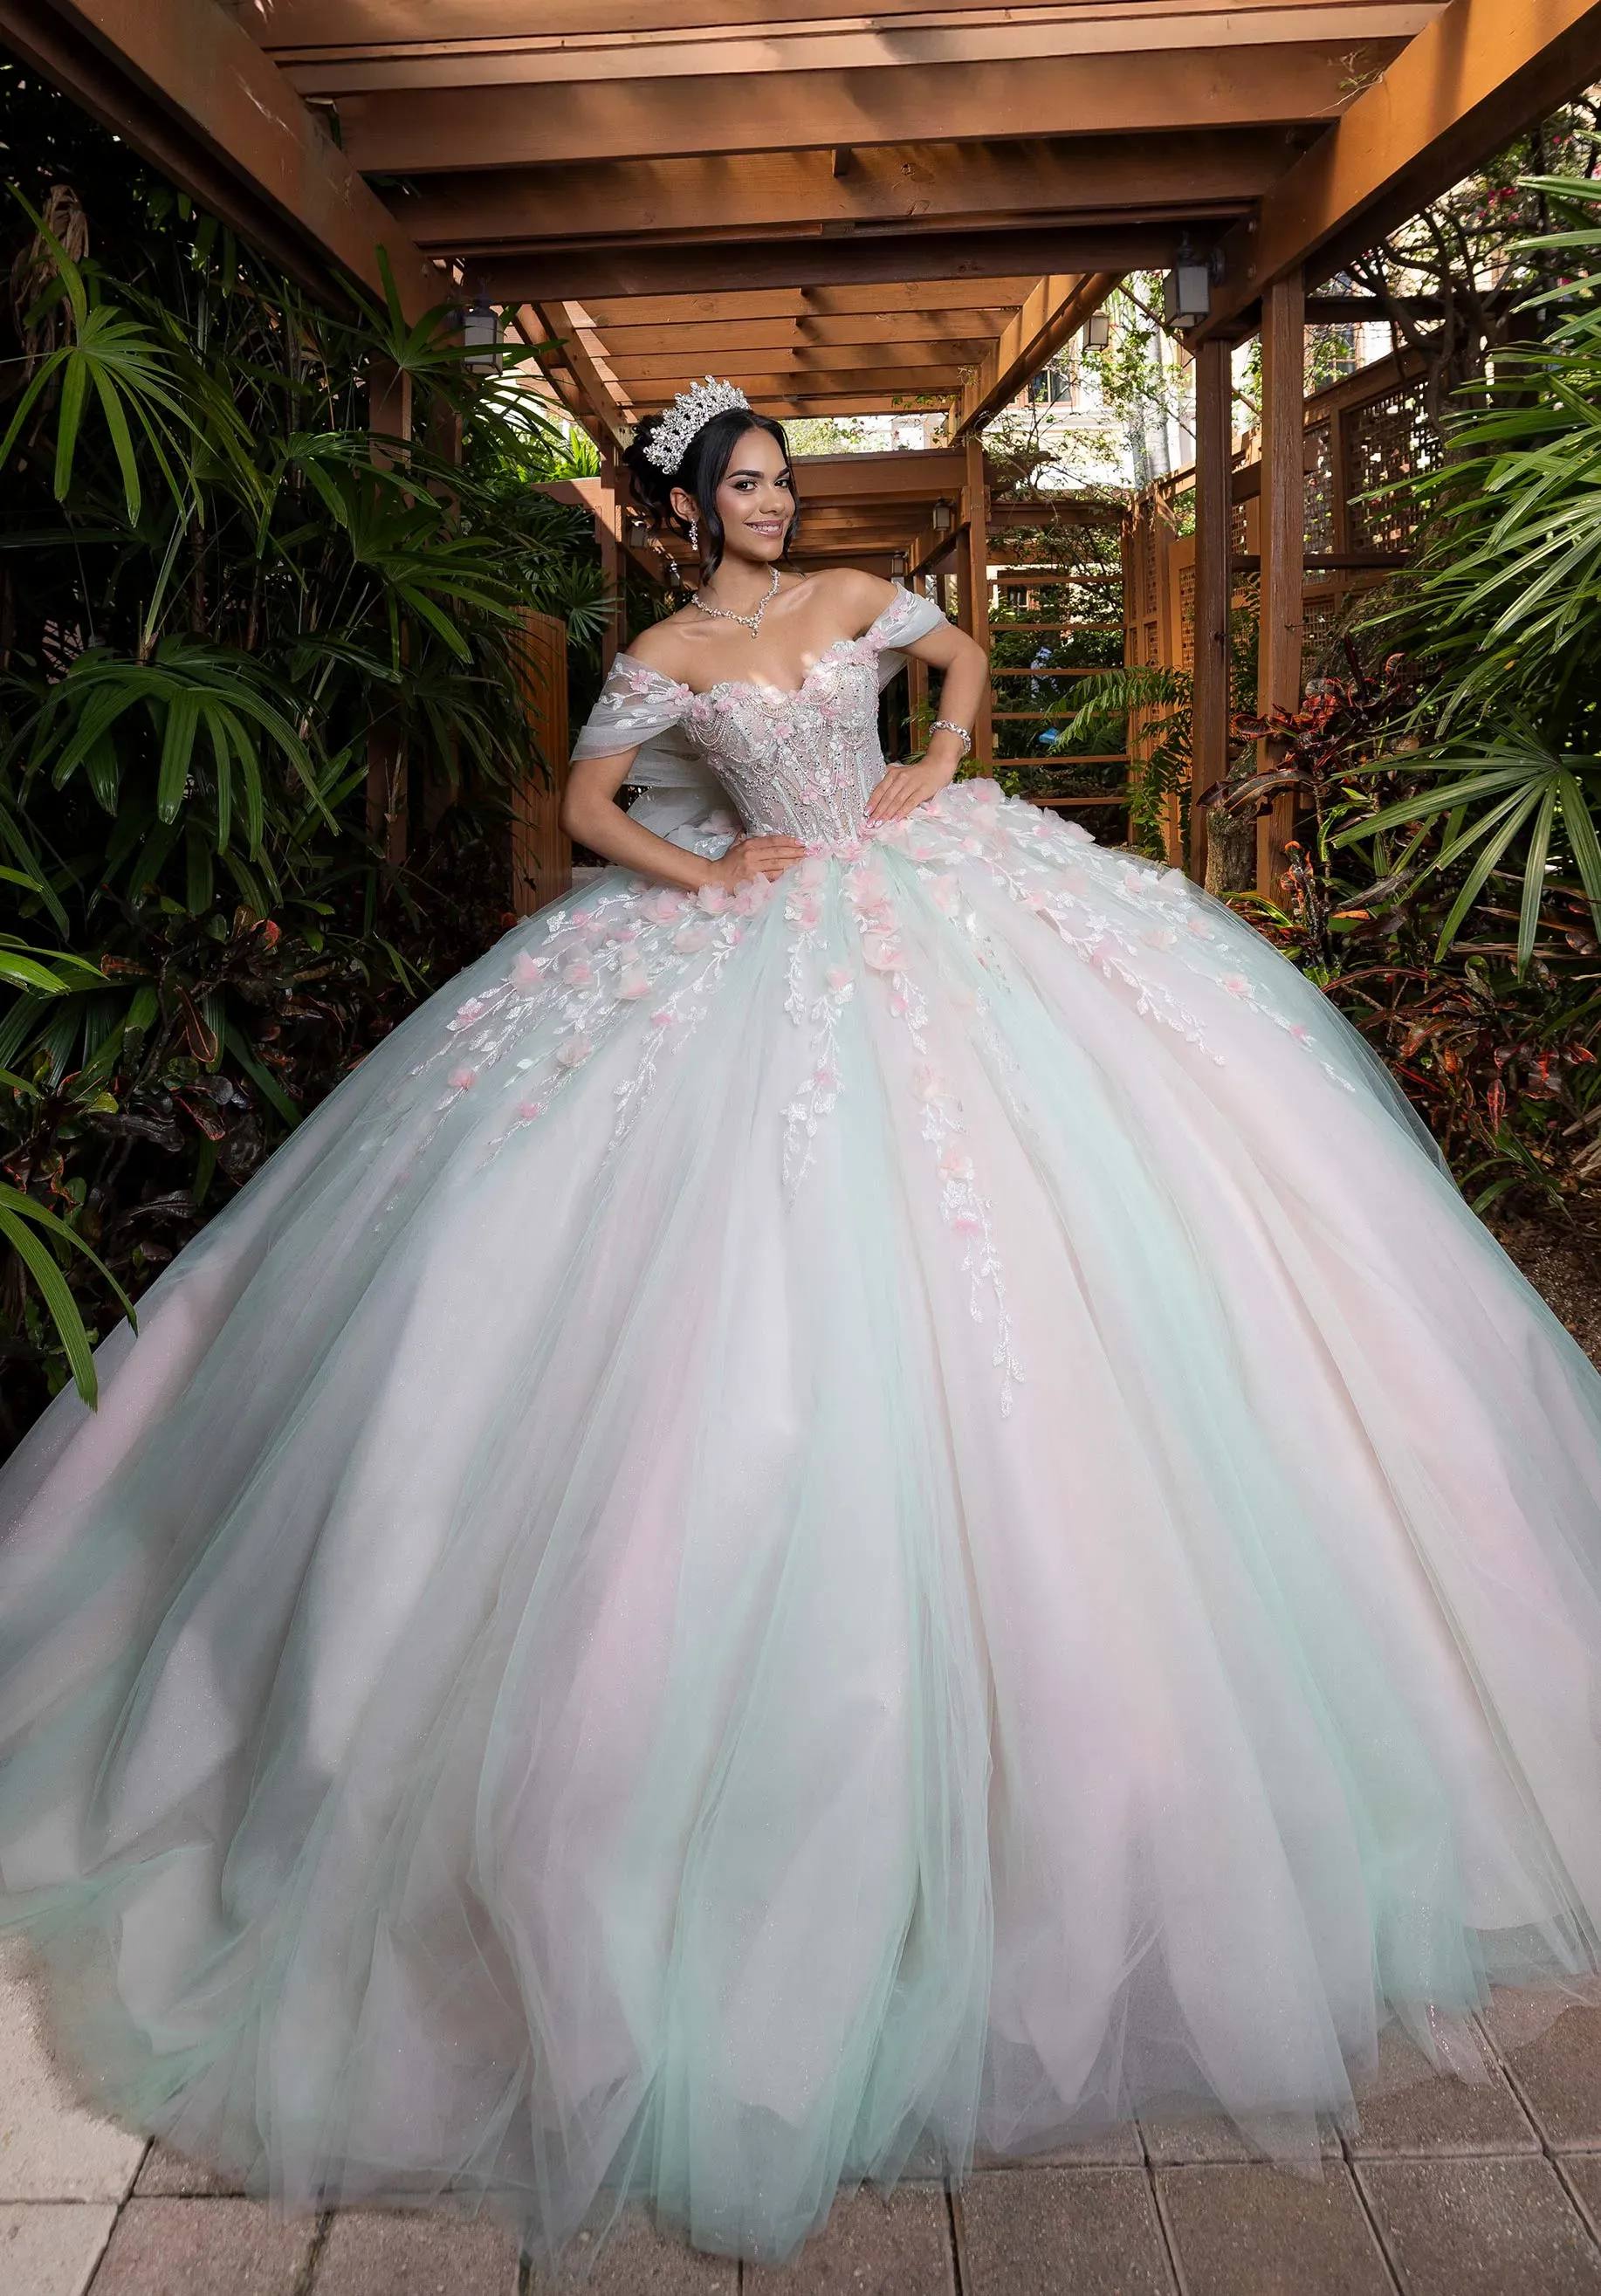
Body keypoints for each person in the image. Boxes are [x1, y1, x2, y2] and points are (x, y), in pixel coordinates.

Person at [2, 374, 1601, 2270]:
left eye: (778, 478)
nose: (770, 503)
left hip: (925, 891)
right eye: (742, 485)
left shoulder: (851, 596)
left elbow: (963, 652)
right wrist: (711, 870)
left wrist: (940, 759)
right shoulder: (667, 656)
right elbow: (586, 808)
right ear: (689, 509)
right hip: (760, 931)